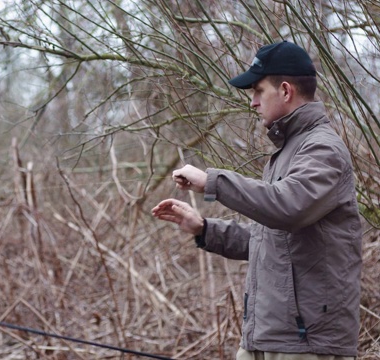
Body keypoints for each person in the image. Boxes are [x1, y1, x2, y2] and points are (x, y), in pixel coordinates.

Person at [152, 41, 362, 360]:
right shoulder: (285, 155)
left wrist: (213, 181)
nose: (252, 102)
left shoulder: (323, 151)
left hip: (306, 346)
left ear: (286, 91)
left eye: (258, 91)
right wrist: (203, 229)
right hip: (267, 341)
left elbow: (287, 208)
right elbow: (272, 241)